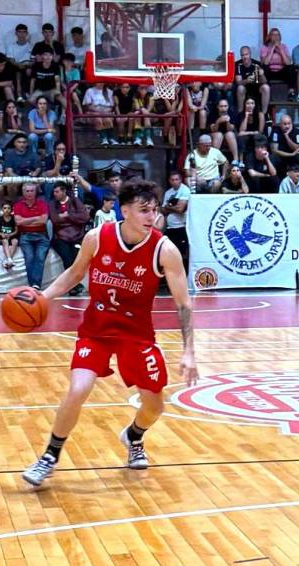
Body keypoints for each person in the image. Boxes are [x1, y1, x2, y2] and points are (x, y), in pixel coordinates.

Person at [21, 179, 198, 486]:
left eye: (154, 210)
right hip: (97, 330)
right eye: (143, 210)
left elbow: (184, 304)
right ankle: (49, 456)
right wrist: (42, 299)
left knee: (155, 407)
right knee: (78, 389)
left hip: (137, 334)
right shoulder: (97, 237)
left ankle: (133, 437)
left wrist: (189, 351)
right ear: (124, 210)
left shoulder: (164, 249)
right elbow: (73, 274)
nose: (151, 216)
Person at [13, 182, 50, 289]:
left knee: (39, 258)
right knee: (29, 258)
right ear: (23, 192)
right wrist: (35, 218)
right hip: (25, 236)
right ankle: (33, 285)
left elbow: (43, 221)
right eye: (27, 191)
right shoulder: (18, 205)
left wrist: (26, 221)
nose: (29, 193)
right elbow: (18, 222)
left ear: (35, 192)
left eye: (32, 191)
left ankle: (35, 285)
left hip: (42, 236)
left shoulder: (42, 204)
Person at [160, 170, 191, 271]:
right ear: (170, 181)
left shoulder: (185, 190)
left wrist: (169, 207)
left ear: (180, 180)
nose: (175, 182)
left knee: (181, 253)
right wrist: (172, 207)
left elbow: (180, 209)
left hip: (181, 227)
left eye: (177, 179)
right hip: (170, 227)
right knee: (165, 250)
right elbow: (163, 211)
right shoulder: (168, 193)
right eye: (172, 180)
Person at [0, 201, 19, 270]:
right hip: (2, 237)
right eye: (5, 208)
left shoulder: (14, 218)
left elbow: (16, 230)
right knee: (5, 241)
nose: (7, 210)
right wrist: (2, 234)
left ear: (11, 209)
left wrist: (10, 234)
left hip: (11, 236)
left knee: (15, 241)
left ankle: (7, 260)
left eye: (9, 208)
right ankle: (9, 259)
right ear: (2, 209)